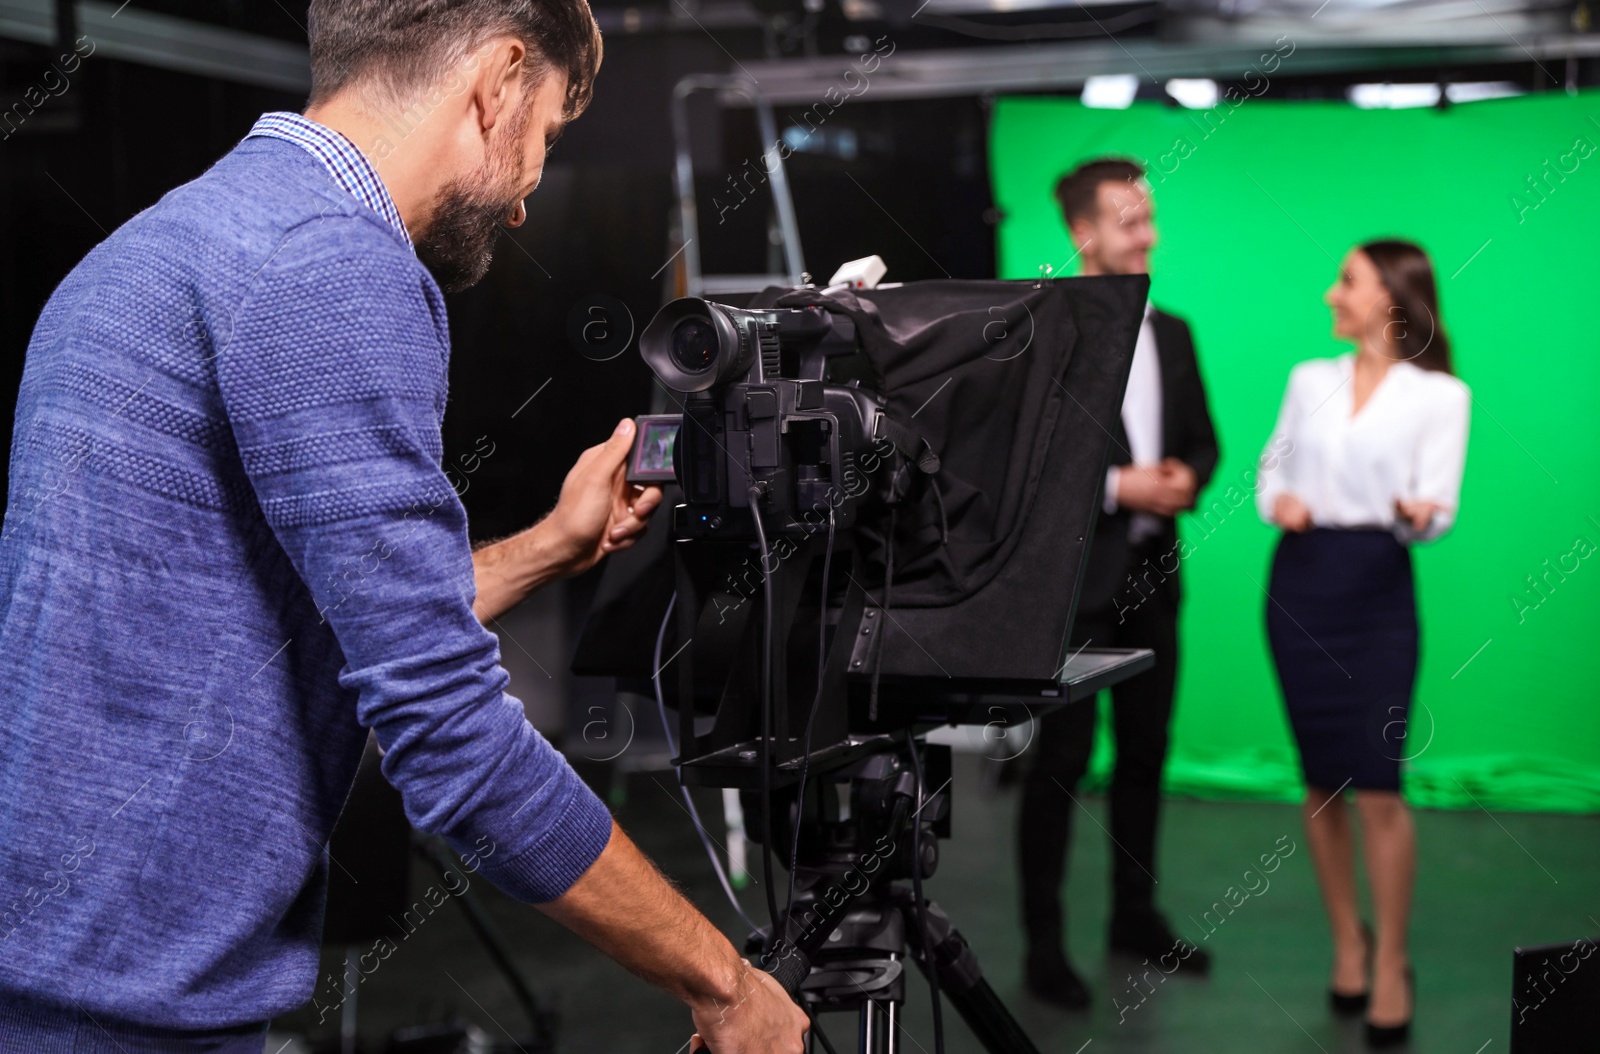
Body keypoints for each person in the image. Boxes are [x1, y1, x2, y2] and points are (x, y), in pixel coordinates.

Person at [0, 2, 809, 1051]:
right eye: (547, 137)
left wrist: (551, 546)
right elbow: (449, 732)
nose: (526, 201)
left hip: (53, 967)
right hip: (133, 1007)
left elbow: (296, 621)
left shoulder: (154, 246)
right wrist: (722, 982)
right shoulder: (335, 263)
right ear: (500, 78)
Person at [1255, 239, 1469, 1047]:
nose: (1329, 295)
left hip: (1377, 587)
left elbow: (1439, 506)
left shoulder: (1442, 395)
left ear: (1391, 299)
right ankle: (1348, 939)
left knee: (1378, 783)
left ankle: (1392, 960)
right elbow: (1270, 470)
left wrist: (1423, 515)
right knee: (1322, 783)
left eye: (1346, 281)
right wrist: (1279, 502)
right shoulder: (1311, 379)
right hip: (1300, 584)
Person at [1017, 158, 1219, 1008]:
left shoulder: (1170, 329)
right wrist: (1115, 487)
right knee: (1058, 765)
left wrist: (1184, 478)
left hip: (1153, 580)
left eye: (1150, 216)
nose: (1149, 234)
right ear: (1082, 233)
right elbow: (1020, 468)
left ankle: (1134, 916)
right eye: (1130, 219)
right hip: (1073, 587)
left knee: (1145, 756)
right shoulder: (1039, 332)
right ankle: (1044, 948)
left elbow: (1204, 439)